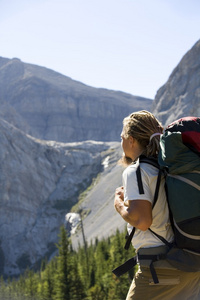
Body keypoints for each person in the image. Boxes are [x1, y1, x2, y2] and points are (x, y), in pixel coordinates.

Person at [114, 110, 200, 300]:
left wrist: (119, 204)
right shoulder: (167, 166)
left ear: (131, 140)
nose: (121, 143)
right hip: (189, 263)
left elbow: (142, 220)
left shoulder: (136, 170)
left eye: (122, 137)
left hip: (159, 269)